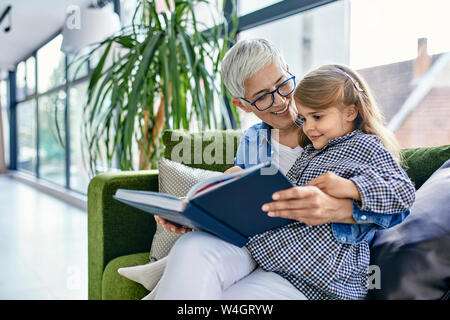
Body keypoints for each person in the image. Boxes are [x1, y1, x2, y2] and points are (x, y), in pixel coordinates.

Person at [153, 39, 411, 300]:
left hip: (314, 269)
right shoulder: (254, 141)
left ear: (288, 70)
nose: (280, 101)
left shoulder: (339, 131)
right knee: (190, 248)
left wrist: (343, 204)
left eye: (282, 84)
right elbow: (245, 207)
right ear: (243, 105)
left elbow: (398, 200)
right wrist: (200, 212)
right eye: (263, 96)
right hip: (259, 249)